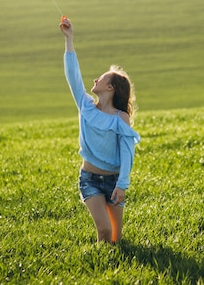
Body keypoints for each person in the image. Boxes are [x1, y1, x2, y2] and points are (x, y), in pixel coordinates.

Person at [60, 16, 141, 244]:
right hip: (90, 179)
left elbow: (127, 153)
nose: (95, 79)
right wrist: (69, 40)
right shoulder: (85, 106)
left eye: (101, 78)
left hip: (114, 181)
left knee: (116, 239)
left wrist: (122, 185)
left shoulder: (120, 118)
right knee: (104, 231)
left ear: (110, 87)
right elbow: (72, 77)